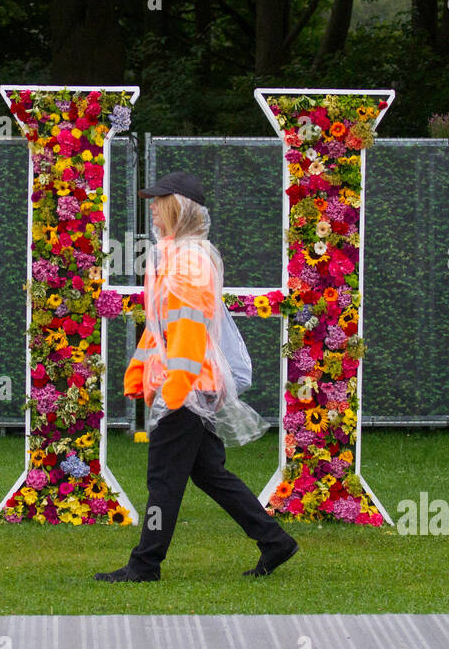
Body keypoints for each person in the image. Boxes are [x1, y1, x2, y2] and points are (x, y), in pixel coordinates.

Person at [94, 171, 299, 582]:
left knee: (163, 480)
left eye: (158, 201)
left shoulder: (187, 261)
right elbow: (161, 327)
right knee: (208, 471)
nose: (151, 207)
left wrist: (174, 389)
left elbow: (187, 331)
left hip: (186, 388)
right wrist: (140, 370)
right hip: (189, 384)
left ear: (178, 207)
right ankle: (273, 540)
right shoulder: (176, 255)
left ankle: (145, 563)